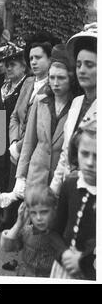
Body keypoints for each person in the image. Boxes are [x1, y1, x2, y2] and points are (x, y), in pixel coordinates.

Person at [13, 44, 75, 199]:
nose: (55, 83)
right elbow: (29, 142)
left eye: (61, 78)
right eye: (52, 77)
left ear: (71, 78)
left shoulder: (76, 106)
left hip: (60, 180)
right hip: (36, 176)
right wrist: (20, 176)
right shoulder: (41, 102)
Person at [50, 23, 97, 196]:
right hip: (69, 192)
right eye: (78, 65)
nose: (82, 70)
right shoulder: (77, 103)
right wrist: (54, 190)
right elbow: (66, 152)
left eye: (90, 65)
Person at [49, 118, 96, 280]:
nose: (90, 162)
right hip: (63, 270)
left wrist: (82, 259)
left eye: (97, 156)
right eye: (85, 153)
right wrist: (65, 253)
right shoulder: (70, 183)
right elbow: (55, 230)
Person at [0, 41, 28, 194]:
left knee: (11, 179)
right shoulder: (2, 85)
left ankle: (8, 214)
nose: (8, 68)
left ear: (24, 66)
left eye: (13, 64)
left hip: (14, 140)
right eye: (7, 65)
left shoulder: (27, 86)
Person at [0, 186, 58, 277]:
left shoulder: (60, 235)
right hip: (26, 276)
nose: (38, 218)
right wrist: (19, 224)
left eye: (44, 212)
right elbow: (7, 247)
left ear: (54, 210)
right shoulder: (28, 231)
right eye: (34, 213)